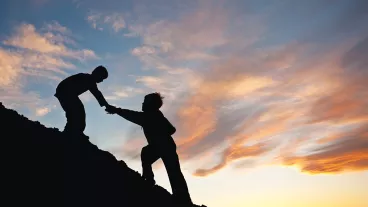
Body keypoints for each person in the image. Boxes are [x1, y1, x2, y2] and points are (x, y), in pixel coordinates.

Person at [105, 92, 193, 205]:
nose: (142, 103)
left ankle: (179, 196)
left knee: (171, 169)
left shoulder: (150, 115)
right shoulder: (157, 115)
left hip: (164, 145)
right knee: (168, 167)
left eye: (145, 101)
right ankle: (154, 181)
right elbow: (172, 130)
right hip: (164, 145)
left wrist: (117, 110)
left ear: (151, 104)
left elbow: (132, 115)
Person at [55, 65, 112, 137]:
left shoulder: (89, 80)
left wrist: (106, 105)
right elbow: (97, 94)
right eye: (102, 78)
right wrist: (106, 105)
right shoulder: (87, 79)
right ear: (97, 74)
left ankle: (75, 131)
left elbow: (97, 94)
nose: (102, 80)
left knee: (76, 111)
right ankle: (73, 132)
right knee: (76, 111)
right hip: (65, 92)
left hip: (66, 93)